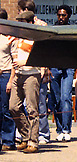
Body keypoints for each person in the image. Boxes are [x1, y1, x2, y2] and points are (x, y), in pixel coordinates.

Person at [10, 10, 43, 152]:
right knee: (13, 106)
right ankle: (25, 135)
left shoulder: (36, 38)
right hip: (18, 74)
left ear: (30, 23)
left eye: (23, 23)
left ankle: (33, 141)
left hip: (31, 74)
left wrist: (25, 61)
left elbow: (42, 57)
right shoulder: (18, 38)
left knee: (31, 108)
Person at [49, 5, 75, 141]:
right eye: (59, 15)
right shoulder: (52, 30)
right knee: (57, 99)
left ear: (69, 16)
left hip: (68, 68)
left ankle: (66, 129)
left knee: (66, 97)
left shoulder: (72, 31)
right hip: (54, 68)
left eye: (64, 15)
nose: (61, 17)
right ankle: (59, 129)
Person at [0, 9, 15, 152]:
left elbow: (14, 61)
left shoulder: (9, 38)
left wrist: (11, 80)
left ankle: (8, 140)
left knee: (6, 109)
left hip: (5, 74)